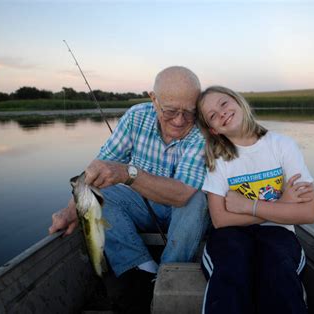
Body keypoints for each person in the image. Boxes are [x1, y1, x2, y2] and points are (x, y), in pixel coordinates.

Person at [49, 66, 209, 313]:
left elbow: (183, 194)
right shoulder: (136, 116)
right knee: (99, 195)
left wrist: (128, 173)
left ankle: (168, 274)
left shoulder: (202, 129)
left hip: (185, 213)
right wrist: (72, 210)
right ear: (153, 99)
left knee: (199, 198)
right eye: (170, 111)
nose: (180, 120)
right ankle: (142, 271)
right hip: (141, 207)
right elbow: (97, 169)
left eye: (189, 111)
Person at [196, 86, 314, 314]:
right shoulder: (218, 159)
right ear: (212, 130)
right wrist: (282, 204)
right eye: (212, 115)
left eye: (223, 103)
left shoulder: (282, 145)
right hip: (230, 235)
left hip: (279, 233)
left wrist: (247, 206)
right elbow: (220, 220)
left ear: (239, 101)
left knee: (278, 269)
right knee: (232, 267)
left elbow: (308, 213)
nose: (221, 112)